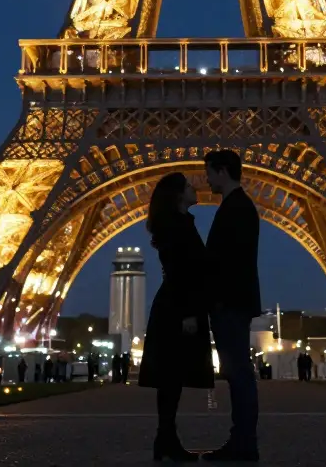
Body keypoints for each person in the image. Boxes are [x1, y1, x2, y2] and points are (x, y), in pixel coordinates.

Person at [137, 172, 214, 462]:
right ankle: (166, 439)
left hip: (174, 304)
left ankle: (165, 439)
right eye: (189, 187)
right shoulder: (177, 227)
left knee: (171, 377)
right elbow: (183, 271)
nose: (196, 188)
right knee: (172, 376)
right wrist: (190, 313)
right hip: (179, 307)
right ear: (178, 195)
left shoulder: (177, 224)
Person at [204, 149, 261, 462]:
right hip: (233, 301)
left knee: (238, 373)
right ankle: (242, 439)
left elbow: (228, 261)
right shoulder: (239, 206)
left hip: (230, 303)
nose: (206, 179)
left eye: (209, 172)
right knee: (238, 372)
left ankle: (243, 442)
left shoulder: (236, 208)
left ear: (222, 171)